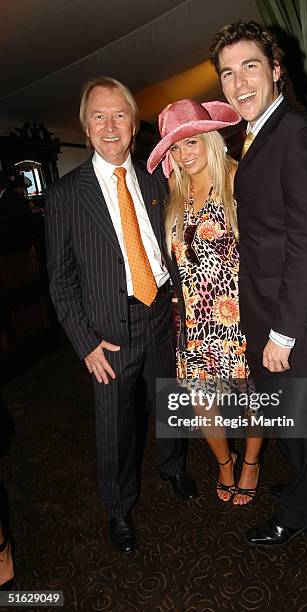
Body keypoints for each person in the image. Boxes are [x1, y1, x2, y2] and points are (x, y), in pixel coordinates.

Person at [45, 77, 197, 555]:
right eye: (99, 116)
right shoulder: (66, 194)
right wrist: (85, 343)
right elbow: (60, 279)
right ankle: (118, 508)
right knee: (114, 427)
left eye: (120, 115)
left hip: (161, 315)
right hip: (108, 332)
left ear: (135, 124)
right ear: (86, 127)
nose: (110, 126)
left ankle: (172, 468)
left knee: (170, 401)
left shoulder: (157, 178)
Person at [209, 21, 307, 545]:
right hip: (270, 313)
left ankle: (298, 514)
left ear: (277, 69)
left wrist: (285, 334)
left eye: (250, 67)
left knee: (304, 427)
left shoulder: (298, 135)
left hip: (295, 323)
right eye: (227, 72)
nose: (239, 82)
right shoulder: (265, 131)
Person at [147, 99, 263, 505]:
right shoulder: (174, 194)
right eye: (175, 148)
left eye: (192, 141)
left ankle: (250, 464)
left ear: (210, 138)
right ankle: (224, 463)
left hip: (239, 317)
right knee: (202, 403)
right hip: (193, 322)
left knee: (252, 399)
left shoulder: (236, 180)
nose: (184, 154)